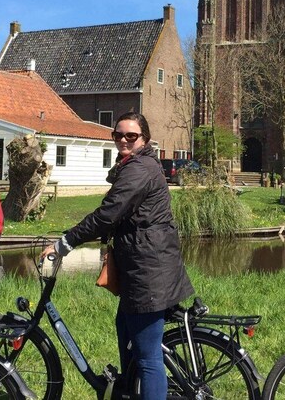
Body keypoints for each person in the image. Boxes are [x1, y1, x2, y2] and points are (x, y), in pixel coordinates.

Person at [41, 112, 194, 399]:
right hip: (143, 265)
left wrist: (65, 243)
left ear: (144, 139)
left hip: (149, 271)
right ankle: (128, 390)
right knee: (125, 329)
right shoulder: (134, 165)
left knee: (148, 358)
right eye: (118, 135)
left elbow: (107, 214)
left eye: (131, 136)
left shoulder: (139, 170)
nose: (123, 140)